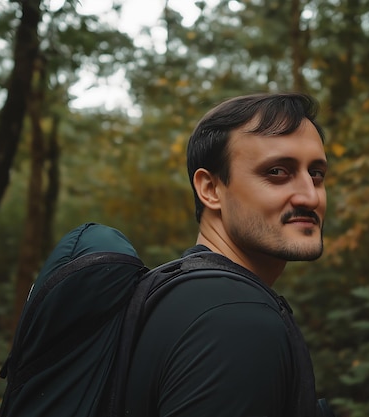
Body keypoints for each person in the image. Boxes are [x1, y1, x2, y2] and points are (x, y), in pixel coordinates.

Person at [124, 92, 330, 417]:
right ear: (210, 189)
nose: (309, 196)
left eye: (316, 174)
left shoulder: (179, 295)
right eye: (277, 171)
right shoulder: (234, 319)